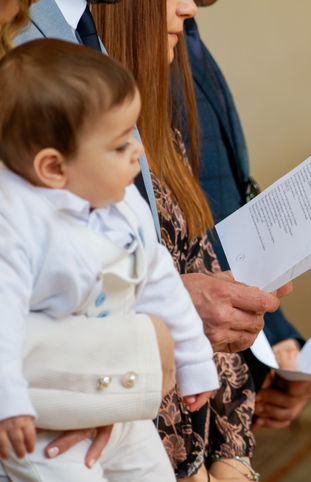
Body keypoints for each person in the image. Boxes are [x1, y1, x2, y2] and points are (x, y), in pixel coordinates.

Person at [0, 38, 220, 480]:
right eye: (120, 146)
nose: (138, 152)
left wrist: (194, 360)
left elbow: (160, 280)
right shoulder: (17, 222)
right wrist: (9, 402)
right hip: (46, 422)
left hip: (123, 406)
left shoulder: (121, 203)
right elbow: (3, 319)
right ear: (53, 168)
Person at [179, 3, 311, 430]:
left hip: (227, 347)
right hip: (185, 370)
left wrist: (279, 340)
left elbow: (223, 202)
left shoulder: (185, 33)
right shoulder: (133, 42)